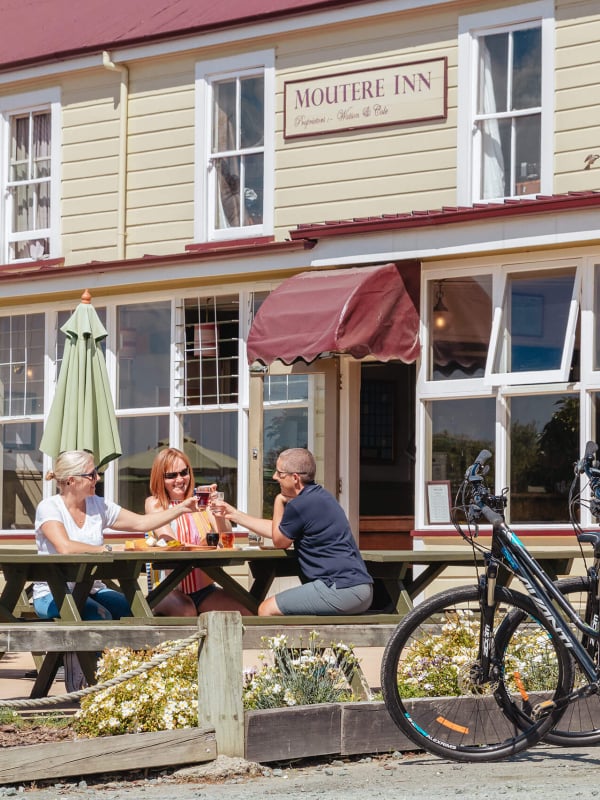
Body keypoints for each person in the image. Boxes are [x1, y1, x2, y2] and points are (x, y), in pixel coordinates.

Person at [33, 449, 201, 623]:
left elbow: (141, 523)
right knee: (99, 616)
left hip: (93, 588)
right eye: (91, 475)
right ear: (71, 480)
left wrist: (182, 508)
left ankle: (133, 651)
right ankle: (81, 652)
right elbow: (65, 547)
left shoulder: (99, 505)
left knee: (138, 612)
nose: (97, 478)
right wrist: (106, 549)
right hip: (53, 592)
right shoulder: (49, 507)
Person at [215, 447, 374, 616]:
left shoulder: (299, 505)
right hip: (359, 589)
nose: (275, 477)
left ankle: (277, 644)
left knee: (266, 609)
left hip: (340, 589)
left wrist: (278, 500)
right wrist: (233, 514)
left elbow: (279, 541)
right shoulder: (320, 497)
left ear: (295, 478)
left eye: (280, 473)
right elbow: (280, 530)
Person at [145, 447, 252, 616]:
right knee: (187, 611)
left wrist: (218, 510)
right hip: (167, 590)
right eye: (172, 475)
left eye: (183, 472)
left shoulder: (201, 502)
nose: (180, 479)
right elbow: (172, 544)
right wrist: (204, 547)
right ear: (160, 479)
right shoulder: (156, 503)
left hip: (204, 590)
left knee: (246, 611)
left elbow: (226, 540)